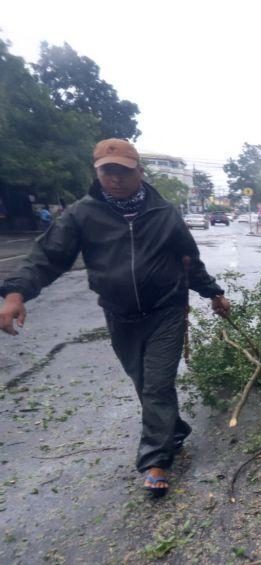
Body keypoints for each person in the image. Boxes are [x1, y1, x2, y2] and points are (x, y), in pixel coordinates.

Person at [0, 138, 231, 497]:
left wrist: (213, 293)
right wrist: (16, 294)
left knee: (156, 383)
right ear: (97, 172)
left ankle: (156, 460)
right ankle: (174, 430)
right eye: (108, 171)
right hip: (119, 314)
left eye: (123, 171)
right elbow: (47, 258)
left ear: (138, 171)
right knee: (143, 383)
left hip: (166, 310)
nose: (116, 179)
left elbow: (189, 260)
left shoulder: (164, 213)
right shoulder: (82, 214)